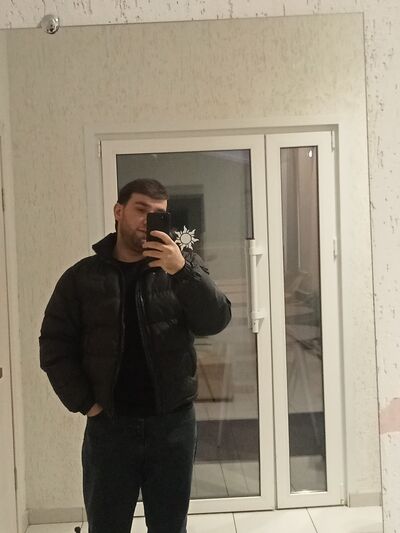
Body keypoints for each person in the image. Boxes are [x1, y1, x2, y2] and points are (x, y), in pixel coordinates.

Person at [39, 178, 231, 533]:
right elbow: (54, 345)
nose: (148, 220)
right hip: (110, 428)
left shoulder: (183, 267)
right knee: (107, 525)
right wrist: (86, 403)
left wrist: (182, 272)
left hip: (172, 426)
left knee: (169, 527)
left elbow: (216, 320)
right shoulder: (82, 278)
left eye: (158, 213)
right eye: (141, 209)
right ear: (118, 211)